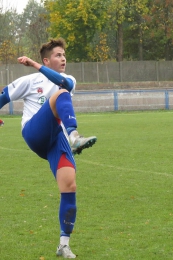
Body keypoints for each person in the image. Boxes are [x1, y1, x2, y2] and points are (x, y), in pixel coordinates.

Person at [0, 38, 97, 258]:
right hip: (34, 133)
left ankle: (64, 245)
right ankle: (75, 137)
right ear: (46, 60)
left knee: (69, 185)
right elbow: (3, 96)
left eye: (64, 55)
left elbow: (65, 84)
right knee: (59, 96)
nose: (63, 58)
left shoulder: (68, 79)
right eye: (57, 55)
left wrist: (35, 63)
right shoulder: (30, 80)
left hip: (55, 139)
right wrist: (35, 67)